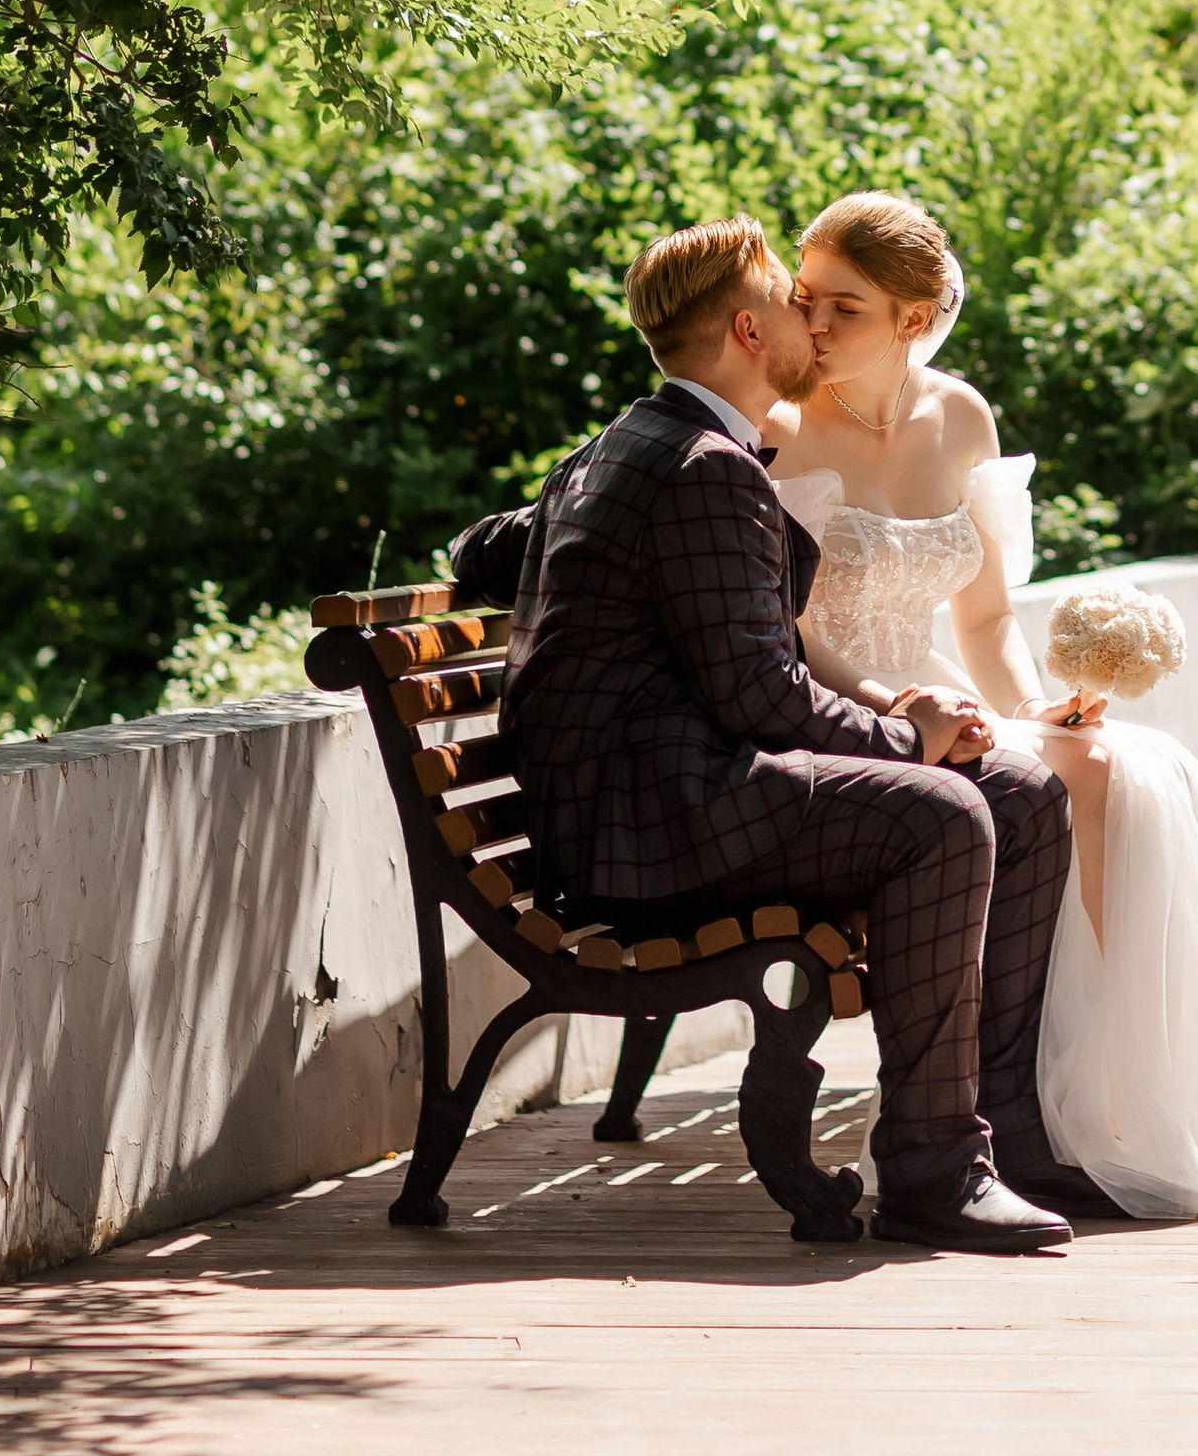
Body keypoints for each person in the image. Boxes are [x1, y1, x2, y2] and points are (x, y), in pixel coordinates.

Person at [448, 217, 1102, 1255]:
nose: (810, 315)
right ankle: (934, 1168)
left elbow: (489, 544)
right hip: (648, 827)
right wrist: (910, 736)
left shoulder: (644, 442)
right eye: (793, 301)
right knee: (941, 812)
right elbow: (761, 695)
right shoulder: (698, 464)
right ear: (751, 331)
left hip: (651, 796)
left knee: (1020, 794)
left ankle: (1004, 1134)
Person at [774, 190, 1198, 1223]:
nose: (814, 328)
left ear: (915, 318)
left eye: (846, 308)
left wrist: (1038, 708)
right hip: (851, 718)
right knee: (1091, 783)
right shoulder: (785, 429)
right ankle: (1034, 1108)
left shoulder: (958, 416)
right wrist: (909, 712)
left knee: (1130, 767)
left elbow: (985, 618)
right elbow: (784, 628)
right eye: (806, 300)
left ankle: (1098, 1096)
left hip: (949, 699)